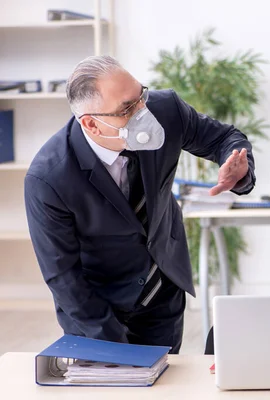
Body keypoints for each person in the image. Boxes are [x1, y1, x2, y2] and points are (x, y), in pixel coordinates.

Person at [24, 55, 256, 354]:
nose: (143, 111)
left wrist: (236, 167)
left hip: (163, 287)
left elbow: (224, 138)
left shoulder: (166, 110)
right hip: (96, 306)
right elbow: (63, 275)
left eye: (140, 96)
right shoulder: (49, 178)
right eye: (127, 109)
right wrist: (116, 351)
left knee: (166, 385)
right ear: (92, 124)